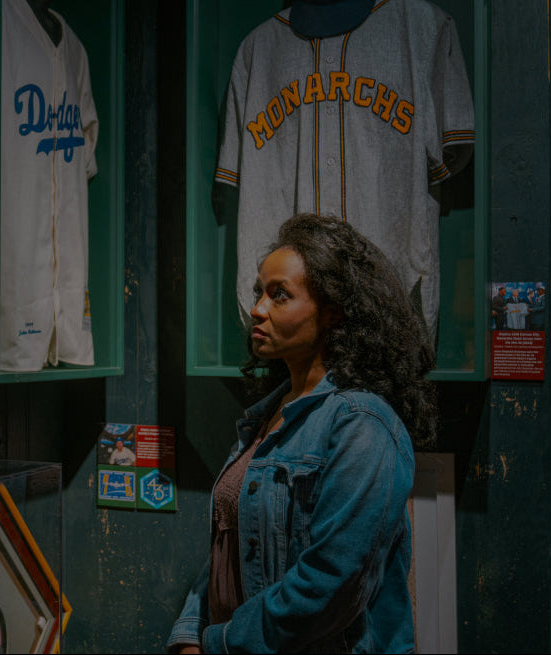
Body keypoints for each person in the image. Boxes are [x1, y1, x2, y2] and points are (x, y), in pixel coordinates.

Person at [167, 214, 429, 654]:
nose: (257, 309)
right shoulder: (268, 415)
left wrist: (220, 643)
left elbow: (330, 584)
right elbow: (226, 547)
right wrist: (190, 634)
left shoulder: (361, 424)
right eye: (259, 293)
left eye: (279, 295)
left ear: (333, 313)